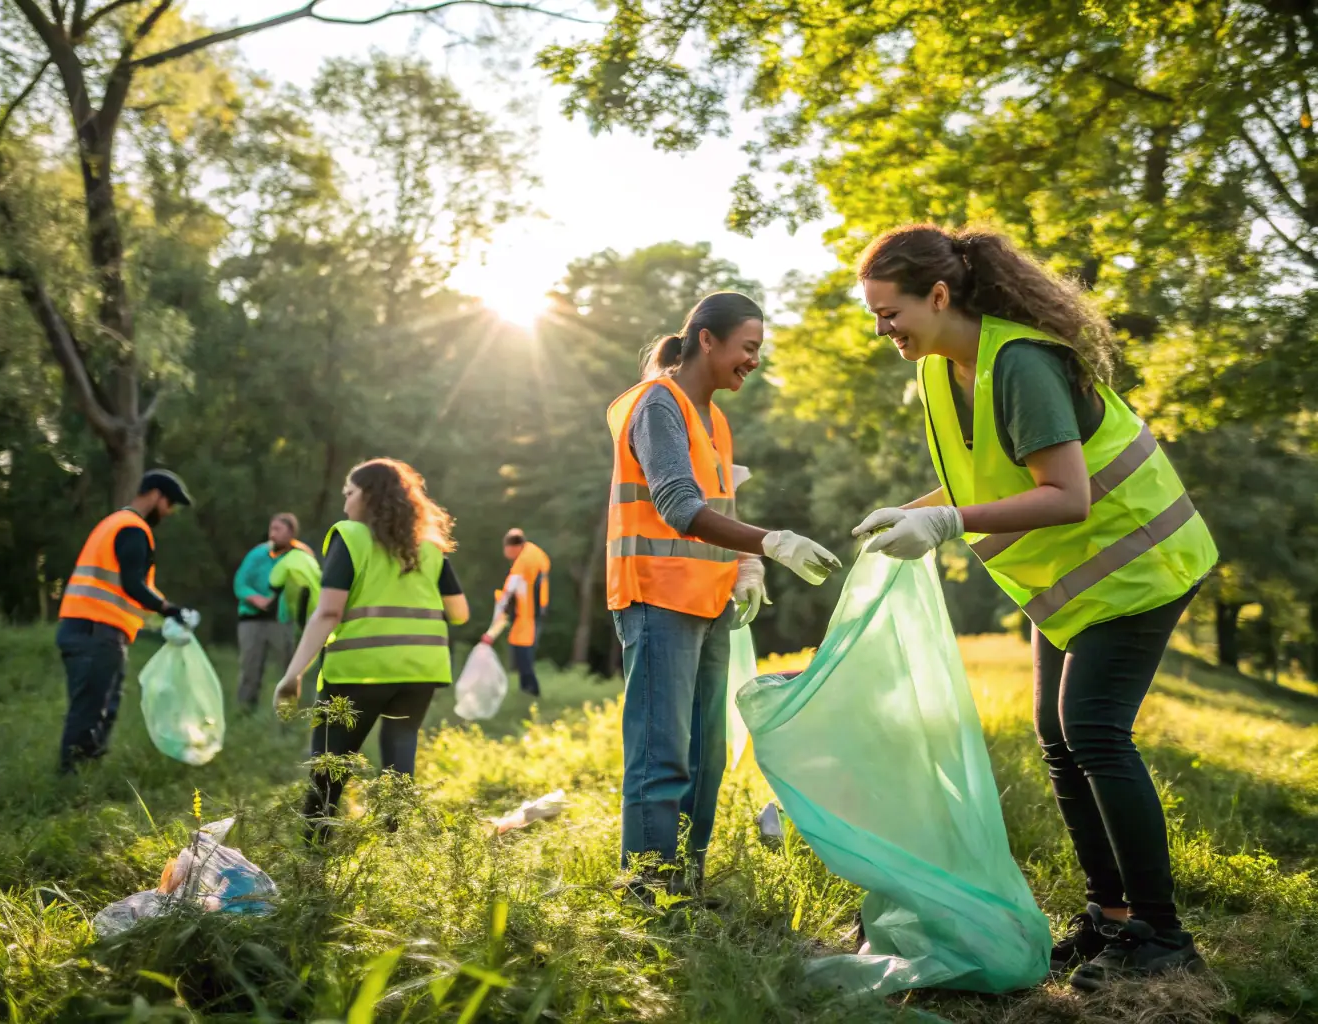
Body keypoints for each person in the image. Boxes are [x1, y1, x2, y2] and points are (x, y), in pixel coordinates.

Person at [851, 225, 1218, 990]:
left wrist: (945, 523)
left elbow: (1067, 494)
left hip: (1141, 561)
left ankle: (1162, 935)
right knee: (1056, 736)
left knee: (1092, 729)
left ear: (939, 295)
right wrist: (909, 511)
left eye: (889, 313)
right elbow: (984, 479)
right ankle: (1108, 919)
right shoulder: (942, 372)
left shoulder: (1016, 363)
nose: (881, 330)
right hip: (1079, 584)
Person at [607, 290, 842, 897]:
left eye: (758, 351)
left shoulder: (714, 420)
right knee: (662, 757)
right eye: (748, 348)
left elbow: (718, 507)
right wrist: (773, 543)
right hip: (658, 599)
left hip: (710, 603)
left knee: (704, 758)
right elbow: (680, 507)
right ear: (706, 340)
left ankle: (685, 882)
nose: (753, 361)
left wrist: (745, 566)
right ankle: (649, 892)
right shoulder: (659, 405)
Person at [272, 459, 469, 830]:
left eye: (350, 493)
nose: (345, 503)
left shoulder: (350, 536)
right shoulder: (430, 548)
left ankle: (315, 852)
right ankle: (396, 848)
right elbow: (459, 612)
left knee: (329, 763)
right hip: (420, 670)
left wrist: (292, 674)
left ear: (369, 497)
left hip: (358, 670)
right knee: (400, 759)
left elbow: (329, 612)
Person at [56, 469, 198, 773]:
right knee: (90, 712)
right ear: (157, 495)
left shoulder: (113, 523)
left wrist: (167, 611)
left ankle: (84, 774)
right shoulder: (134, 529)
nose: (169, 512)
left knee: (99, 709)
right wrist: (169, 609)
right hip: (96, 632)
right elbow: (132, 585)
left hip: (85, 629)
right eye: (169, 503)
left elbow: (130, 590)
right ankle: (69, 778)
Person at [233, 513, 317, 712]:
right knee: (250, 669)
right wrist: (255, 598)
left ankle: (287, 714)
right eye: (271, 528)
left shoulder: (301, 556)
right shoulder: (258, 553)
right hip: (252, 619)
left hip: (284, 621)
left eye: (278, 529)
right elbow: (240, 582)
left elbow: (311, 583)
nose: (272, 534)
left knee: (289, 669)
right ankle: (244, 711)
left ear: (291, 533)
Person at [481, 529, 550, 696]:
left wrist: (492, 631)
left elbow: (506, 597)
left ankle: (531, 693)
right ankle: (527, 693)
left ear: (513, 547)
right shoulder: (535, 555)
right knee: (523, 657)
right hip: (533, 615)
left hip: (527, 618)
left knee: (523, 658)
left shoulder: (523, 563)